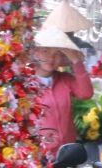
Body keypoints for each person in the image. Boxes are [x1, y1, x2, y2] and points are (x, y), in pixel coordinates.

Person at [33, 25, 93, 156]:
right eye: (46, 51)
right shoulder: (26, 84)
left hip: (67, 152)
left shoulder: (65, 79)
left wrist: (76, 60)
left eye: (58, 54)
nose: (51, 58)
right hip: (39, 156)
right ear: (36, 52)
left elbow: (86, 93)